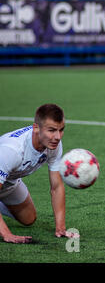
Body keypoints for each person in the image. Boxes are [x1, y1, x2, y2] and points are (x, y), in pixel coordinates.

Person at [0, 104, 78, 243]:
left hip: (9, 182)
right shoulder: (12, 151)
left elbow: (56, 187)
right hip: (4, 175)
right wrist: (7, 234)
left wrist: (60, 227)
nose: (57, 137)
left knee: (28, 218)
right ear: (36, 128)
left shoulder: (53, 145)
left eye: (61, 130)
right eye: (52, 130)